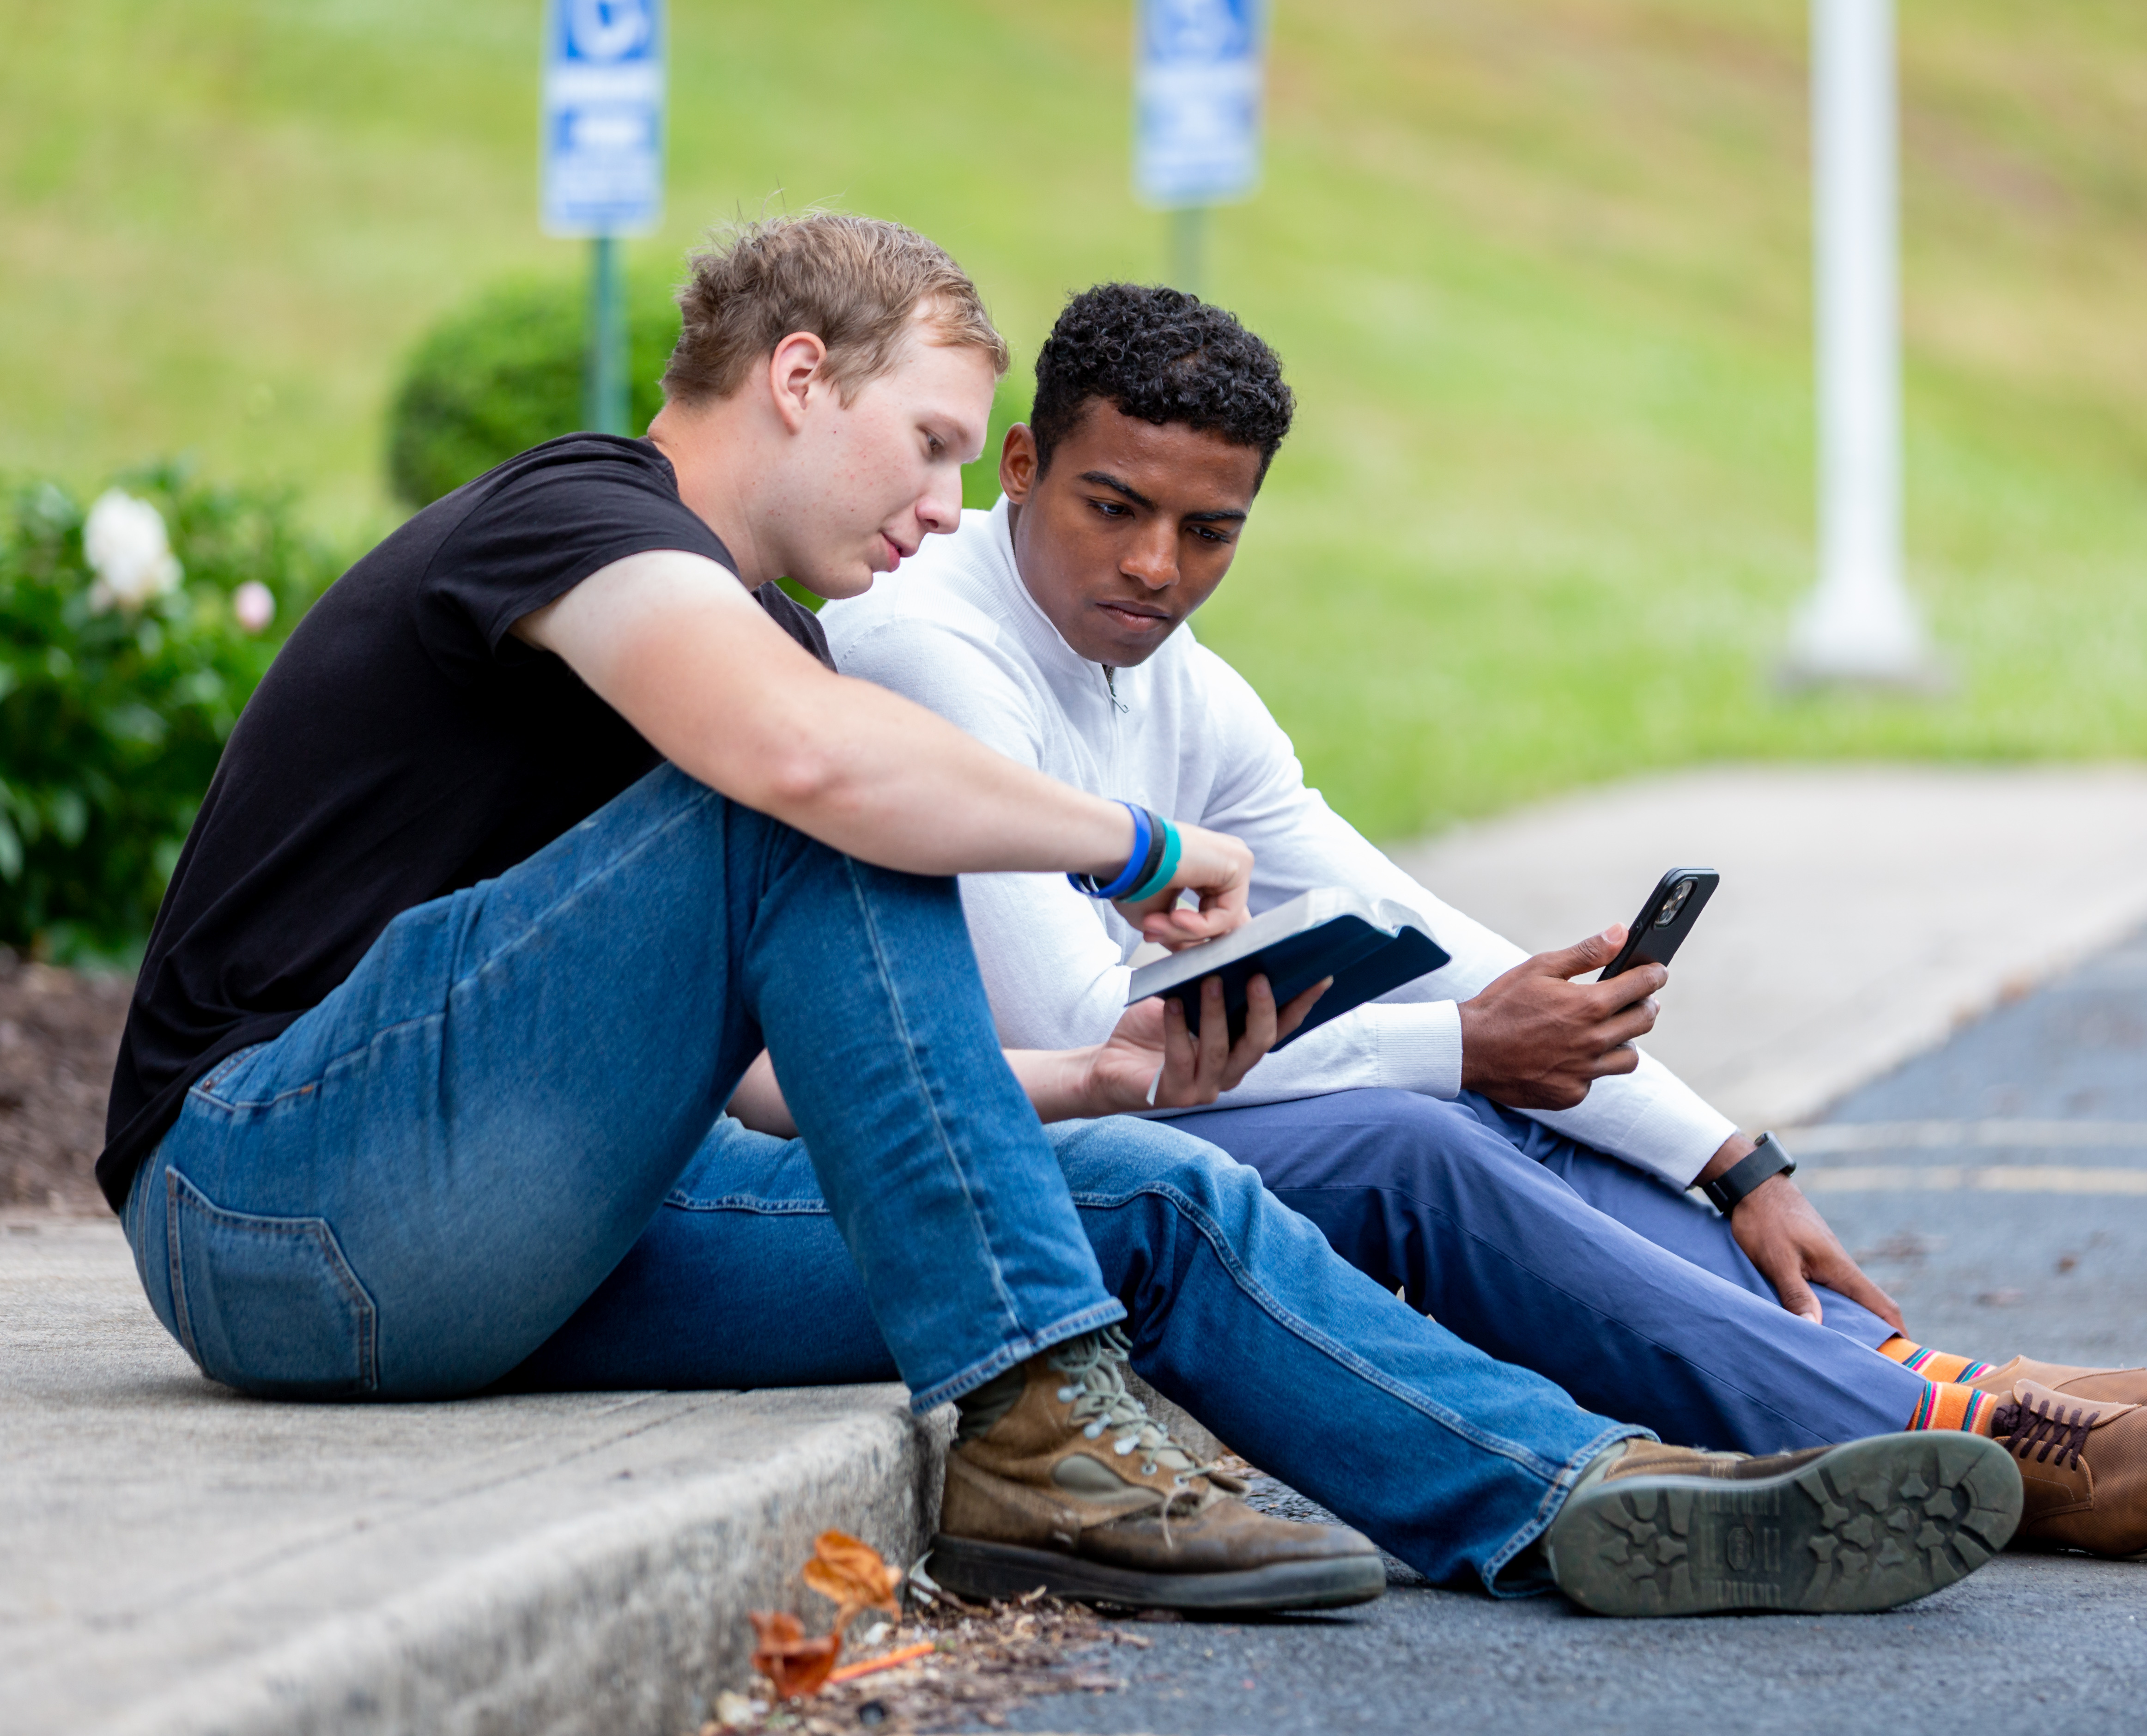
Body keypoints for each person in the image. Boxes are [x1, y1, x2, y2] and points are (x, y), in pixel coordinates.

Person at [97, 212, 2032, 1620]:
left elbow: (774, 1079)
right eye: (937, 443)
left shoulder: (752, 650)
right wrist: (1120, 842)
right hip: (272, 1199)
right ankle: (1045, 1431)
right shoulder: (575, 516)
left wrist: (1093, 1073)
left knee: (1152, 1188)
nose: (947, 509)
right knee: (809, 790)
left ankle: (1582, 1496)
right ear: (798, 380)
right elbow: (813, 785)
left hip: (526, 1232)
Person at [820, 281, 2147, 1562]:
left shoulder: (1175, 673)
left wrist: (1731, 1156)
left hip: (1123, 1117)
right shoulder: (931, 646)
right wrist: (1460, 1049)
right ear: (1023, 464)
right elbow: (1084, 1032)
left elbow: (1407, 917)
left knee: (1510, 1097)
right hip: (981, 1145)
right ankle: (1951, 1431)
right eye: (1115, 508)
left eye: (1211, 531)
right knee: (1422, 1130)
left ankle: (1917, 1371)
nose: (1157, 568)